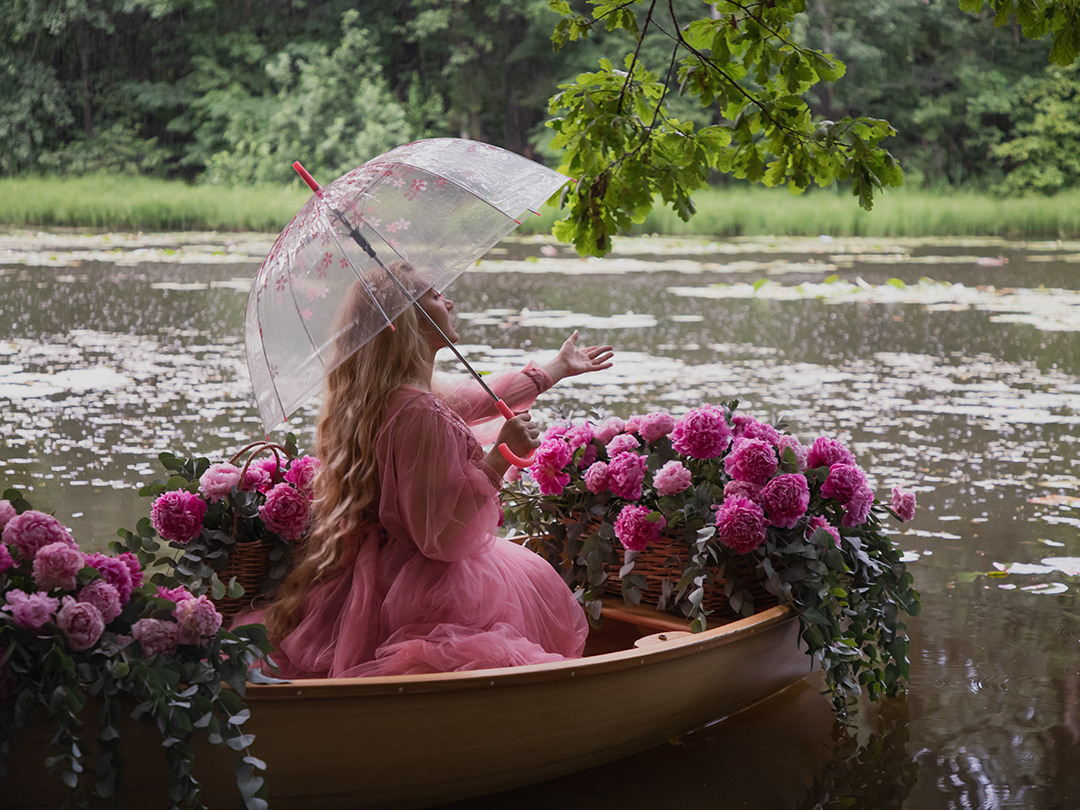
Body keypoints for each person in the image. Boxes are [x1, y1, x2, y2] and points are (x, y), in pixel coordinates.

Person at [254, 261, 614, 678]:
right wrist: (500, 456)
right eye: (435, 295)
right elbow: (441, 536)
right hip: (426, 586)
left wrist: (555, 367)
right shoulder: (420, 412)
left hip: (375, 570)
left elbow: (481, 398)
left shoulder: (387, 395)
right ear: (407, 319)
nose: (450, 300)